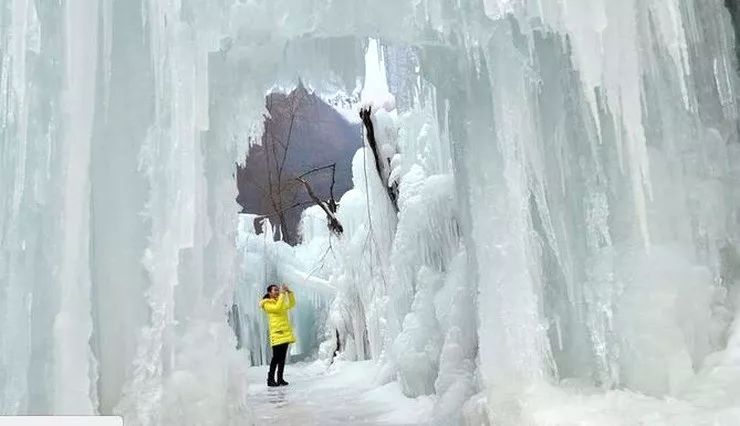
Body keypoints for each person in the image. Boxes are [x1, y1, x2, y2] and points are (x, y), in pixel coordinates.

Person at [260, 283, 296, 387]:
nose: (277, 292)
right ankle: (270, 379)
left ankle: (280, 379)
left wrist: (289, 293)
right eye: (275, 290)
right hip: (277, 334)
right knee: (276, 358)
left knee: (282, 358)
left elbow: (291, 304)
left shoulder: (279, 301)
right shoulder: (267, 304)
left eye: (277, 290)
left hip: (285, 333)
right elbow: (277, 308)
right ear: (269, 292)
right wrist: (282, 294)